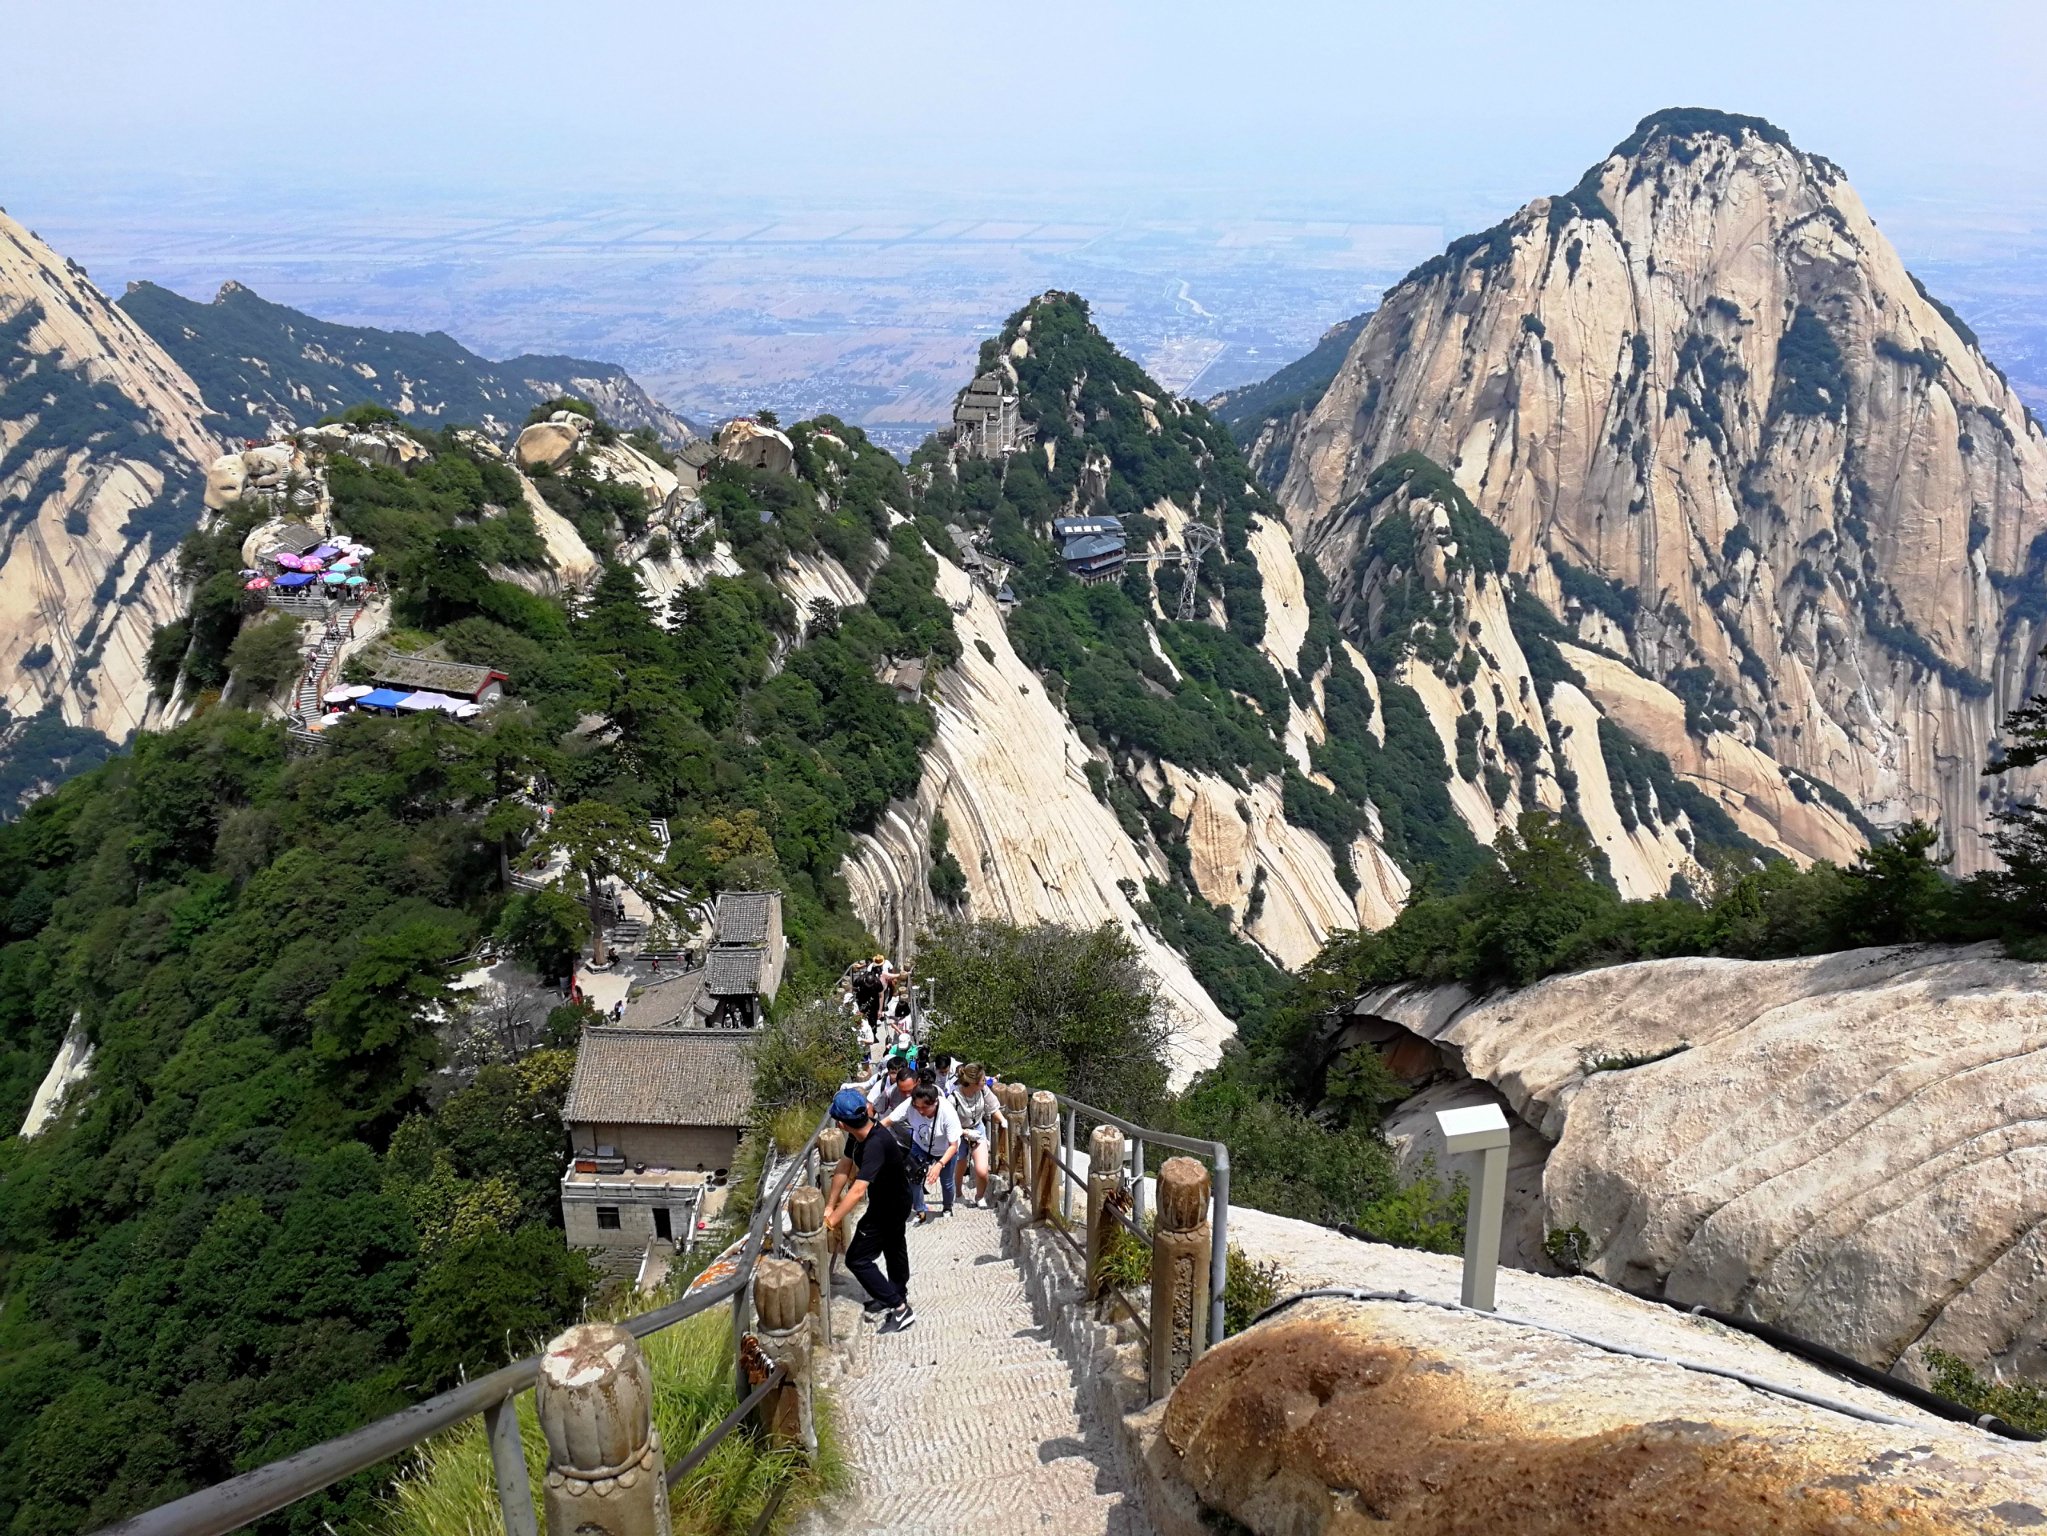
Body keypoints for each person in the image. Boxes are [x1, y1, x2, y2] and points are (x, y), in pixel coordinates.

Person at [823, 1087, 915, 1334]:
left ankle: (899, 1308)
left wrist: (832, 1219)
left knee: (857, 1258)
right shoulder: (861, 1133)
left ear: (841, 1124)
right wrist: (830, 1204)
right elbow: (843, 1167)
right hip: (892, 1200)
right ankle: (896, 1294)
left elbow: (856, 1190)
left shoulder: (875, 1144)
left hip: (889, 1206)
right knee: (894, 1247)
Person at [885, 1081, 961, 1221]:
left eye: (925, 1107)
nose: (920, 1111)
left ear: (935, 1102)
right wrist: (869, 1134)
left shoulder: (948, 1112)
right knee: (914, 1177)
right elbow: (889, 1120)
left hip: (945, 1150)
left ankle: (947, 1206)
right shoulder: (909, 1105)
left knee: (947, 1181)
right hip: (920, 1145)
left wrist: (939, 1165)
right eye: (917, 1107)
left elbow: (953, 1146)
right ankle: (919, 1209)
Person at [949, 1063, 1005, 1208]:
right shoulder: (954, 1098)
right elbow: (949, 1125)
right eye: (982, 1079)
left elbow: (993, 1107)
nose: (985, 1081)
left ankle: (980, 1196)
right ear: (973, 1082)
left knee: (982, 1170)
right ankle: (958, 1193)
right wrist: (965, 1133)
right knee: (960, 1164)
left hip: (977, 1128)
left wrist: (1003, 1121)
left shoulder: (983, 1090)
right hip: (959, 1132)